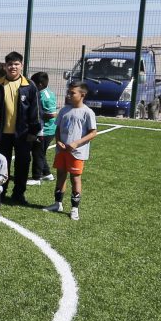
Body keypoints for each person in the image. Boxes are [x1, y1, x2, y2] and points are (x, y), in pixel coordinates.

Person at [0, 51, 41, 204]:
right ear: (5, 66)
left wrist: (33, 131)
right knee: (1, 164)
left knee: (22, 164)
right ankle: (0, 191)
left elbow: (36, 111)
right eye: (10, 64)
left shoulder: (29, 86)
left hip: (23, 134)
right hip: (2, 134)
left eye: (16, 64)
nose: (13, 67)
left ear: (21, 65)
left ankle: (19, 194)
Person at [44, 82, 97, 221]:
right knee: (61, 175)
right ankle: (57, 204)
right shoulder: (64, 110)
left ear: (82, 95)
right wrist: (58, 141)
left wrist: (76, 143)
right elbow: (57, 128)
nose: (69, 95)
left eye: (72, 93)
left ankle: (74, 208)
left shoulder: (87, 112)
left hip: (76, 152)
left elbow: (93, 133)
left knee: (75, 178)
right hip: (61, 151)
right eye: (69, 92)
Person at [28, 71, 57, 185]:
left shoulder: (45, 96)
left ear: (39, 84)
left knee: (37, 153)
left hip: (45, 130)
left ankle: (36, 178)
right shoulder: (44, 92)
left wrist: (37, 115)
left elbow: (52, 114)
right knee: (40, 153)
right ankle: (47, 174)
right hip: (45, 129)